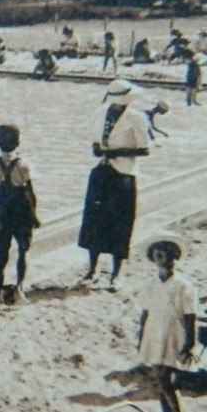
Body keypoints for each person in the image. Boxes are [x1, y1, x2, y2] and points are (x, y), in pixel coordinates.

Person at [78, 80, 151, 290]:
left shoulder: (137, 118)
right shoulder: (100, 113)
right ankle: (92, 270)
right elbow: (94, 139)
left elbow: (144, 149)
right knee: (94, 221)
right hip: (101, 170)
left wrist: (114, 153)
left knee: (121, 223)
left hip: (123, 173)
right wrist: (97, 149)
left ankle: (117, 274)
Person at [135, 237, 198, 412]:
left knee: (165, 379)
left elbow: (190, 316)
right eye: (156, 251)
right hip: (154, 333)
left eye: (165, 250)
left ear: (174, 256)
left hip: (173, 333)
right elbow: (145, 312)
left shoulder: (183, 285)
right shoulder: (150, 284)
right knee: (162, 382)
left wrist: (191, 342)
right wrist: (141, 335)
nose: (159, 254)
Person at [0, 124, 40, 310]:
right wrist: (34, 215)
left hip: (0, 209)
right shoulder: (24, 164)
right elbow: (31, 193)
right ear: (18, 142)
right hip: (20, 210)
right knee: (23, 250)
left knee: (1, 253)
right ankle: (19, 289)